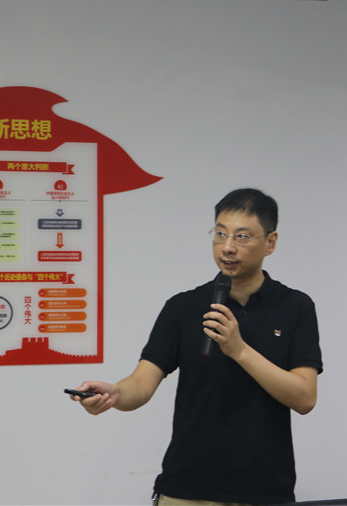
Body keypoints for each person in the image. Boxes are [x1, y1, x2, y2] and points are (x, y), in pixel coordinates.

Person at [70, 188, 323, 506]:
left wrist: (239, 350)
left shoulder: (294, 307)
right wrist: (114, 393)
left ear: (270, 242)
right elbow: (142, 384)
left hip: (264, 490)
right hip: (187, 488)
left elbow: (304, 398)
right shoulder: (183, 307)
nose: (227, 247)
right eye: (220, 234)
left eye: (242, 237)